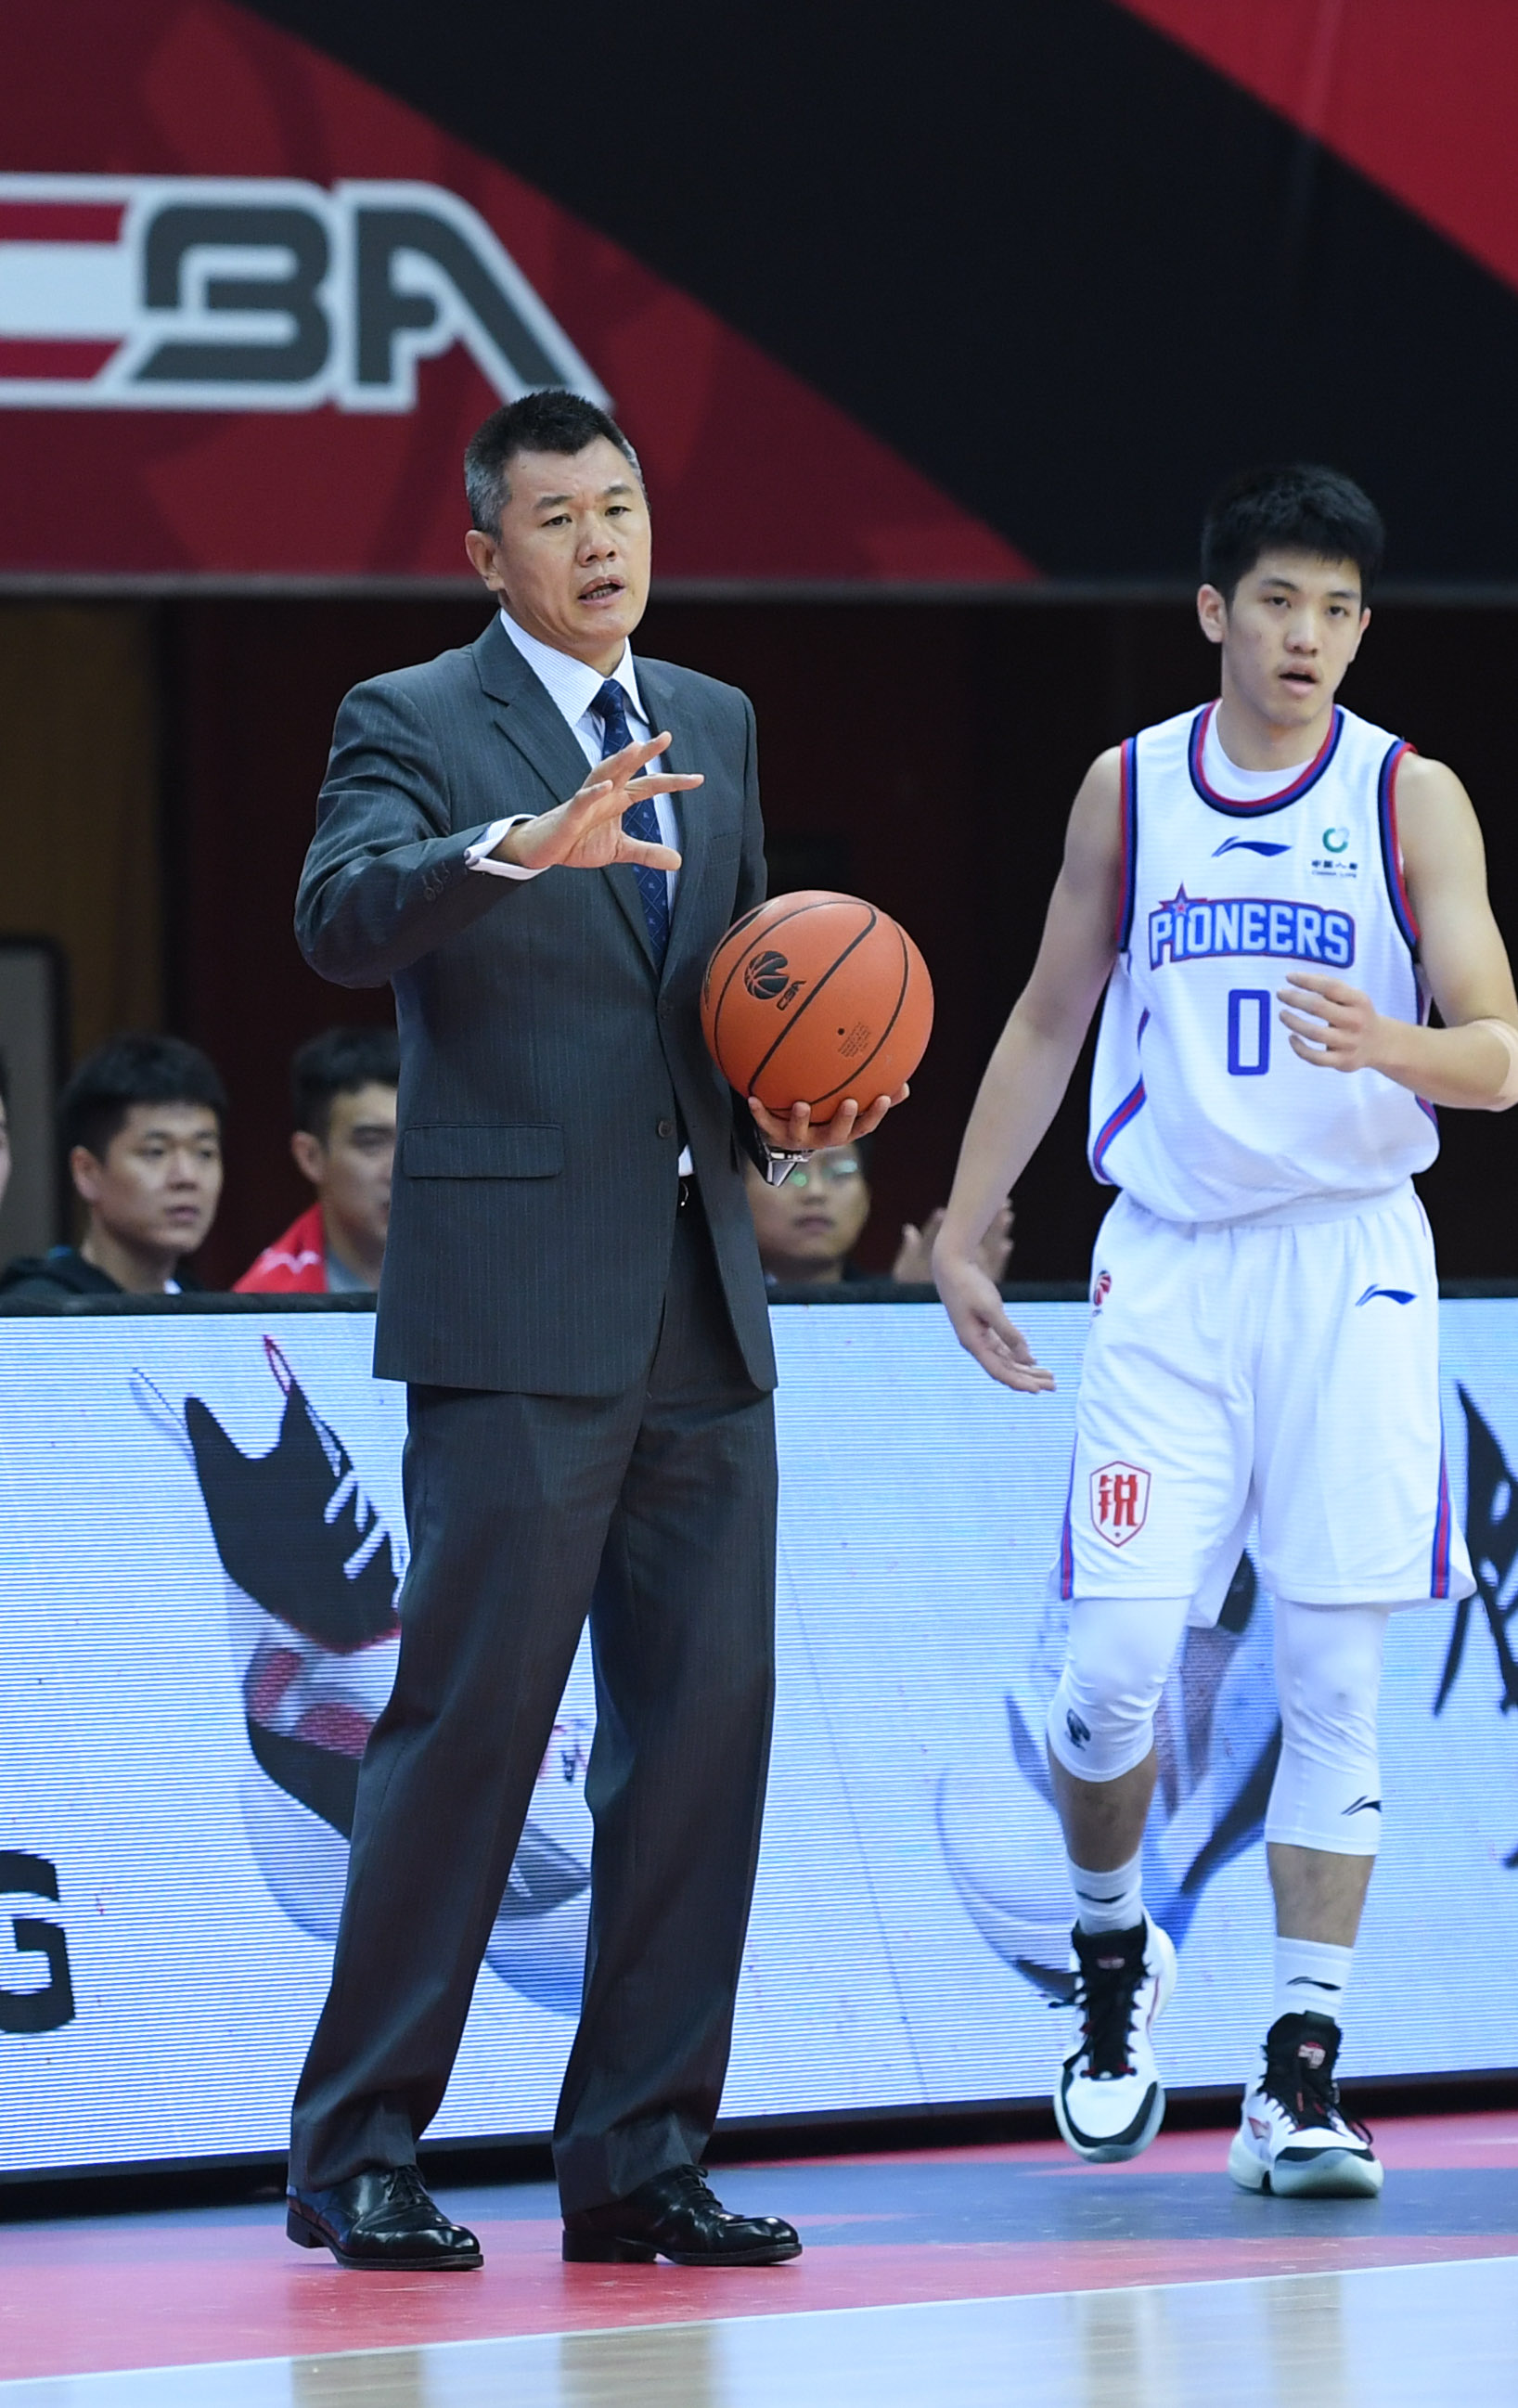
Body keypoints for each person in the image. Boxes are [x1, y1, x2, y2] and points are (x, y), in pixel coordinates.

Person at [283, 388, 905, 2274]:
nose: (600, 540)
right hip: (513, 1311)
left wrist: (794, 1106)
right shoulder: (409, 718)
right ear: (488, 553)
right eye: (556, 516)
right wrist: (514, 845)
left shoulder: (710, 716)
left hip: (706, 1308)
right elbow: (336, 919)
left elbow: (743, 992)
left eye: (619, 504)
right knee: (467, 1733)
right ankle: (358, 2148)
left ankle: (638, 2156)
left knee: (700, 1745)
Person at [933, 463, 1515, 2201]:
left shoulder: (1411, 797)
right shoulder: (1129, 791)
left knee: (1331, 1678)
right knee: (1113, 1672)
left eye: (1337, 609)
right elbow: (1049, 1016)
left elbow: (1497, 1053)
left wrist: (1390, 1043)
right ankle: (1113, 1954)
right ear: (1214, 612)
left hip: (1351, 1267)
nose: (1307, 636)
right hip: (1172, 1268)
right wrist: (961, 1224)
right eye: (1278, 602)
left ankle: (1300, 2070)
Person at [0, 1034, 225, 1302]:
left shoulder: (207, 1307)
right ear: (87, 1172)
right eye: (156, 1152)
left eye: (204, 1153)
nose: (187, 1177)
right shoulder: (38, 1310)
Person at [237, 1026, 398, 1294]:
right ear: (311, 1157)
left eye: (415, 1143)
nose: (399, 1170)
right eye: (371, 1142)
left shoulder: (474, 1272)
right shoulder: (266, 1305)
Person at [746, 1137, 1013, 1289]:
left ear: (866, 1199)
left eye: (840, 1171)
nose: (816, 1192)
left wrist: (917, 1309)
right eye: (789, 1173)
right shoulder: (720, 1313)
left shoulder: (887, 1304)